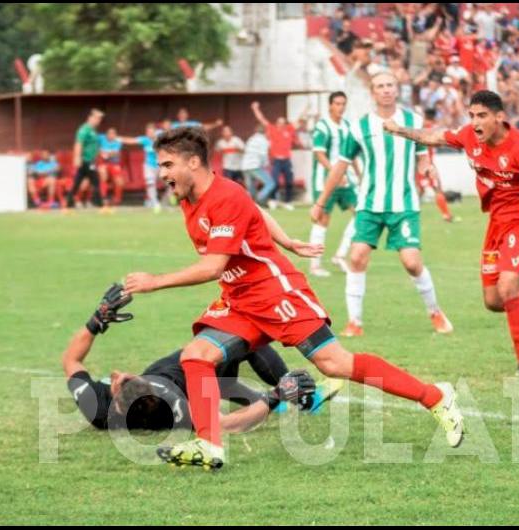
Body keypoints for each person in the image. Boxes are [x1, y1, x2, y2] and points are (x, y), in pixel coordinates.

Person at [123, 127, 464, 470]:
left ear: (193, 162)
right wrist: (287, 241)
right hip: (241, 299)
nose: (161, 173)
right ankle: (209, 445)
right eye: (160, 166)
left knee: (335, 364)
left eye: (167, 165)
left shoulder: (225, 197)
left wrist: (155, 281)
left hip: (276, 292)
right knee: (197, 355)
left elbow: (213, 266)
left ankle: (435, 396)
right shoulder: (195, 196)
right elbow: (254, 209)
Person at [383, 90, 519, 377]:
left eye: (481, 116)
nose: (474, 122)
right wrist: (398, 130)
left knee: (508, 288)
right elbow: (433, 137)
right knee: (494, 301)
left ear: (499, 117)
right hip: (496, 222)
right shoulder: (469, 137)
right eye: (471, 115)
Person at [62, 284, 324, 433]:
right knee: (247, 339)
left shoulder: (98, 410)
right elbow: (225, 425)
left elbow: (71, 361)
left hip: (205, 379)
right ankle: (302, 396)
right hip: (202, 369)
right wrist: (277, 393)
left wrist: (97, 321)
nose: (117, 372)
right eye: (122, 378)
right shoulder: (176, 409)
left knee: (228, 384)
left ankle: (273, 400)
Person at [312, 72, 453, 338]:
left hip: (404, 205)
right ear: (372, 92)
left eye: (389, 85)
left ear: (396, 90)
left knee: (412, 262)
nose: (386, 90)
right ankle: (355, 322)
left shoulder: (413, 121)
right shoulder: (359, 127)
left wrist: (428, 168)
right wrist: (320, 202)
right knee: (356, 257)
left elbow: (422, 157)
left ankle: (435, 311)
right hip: (369, 204)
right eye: (380, 86)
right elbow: (340, 167)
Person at [308, 91, 359, 278]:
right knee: (323, 220)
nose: (341, 107)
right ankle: (315, 265)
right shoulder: (322, 126)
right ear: (330, 105)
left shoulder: (347, 126)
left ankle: (339, 256)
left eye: (343, 103)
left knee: (360, 213)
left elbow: (351, 155)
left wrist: (360, 176)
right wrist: (333, 172)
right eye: (337, 103)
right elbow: (319, 153)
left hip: (345, 181)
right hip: (325, 181)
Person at [251, 102, 298, 210]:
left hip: (287, 160)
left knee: (289, 181)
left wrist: (307, 109)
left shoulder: (289, 129)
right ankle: (273, 200)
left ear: (285, 123)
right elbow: (262, 119)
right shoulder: (272, 129)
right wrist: (255, 109)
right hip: (276, 160)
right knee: (275, 181)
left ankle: (288, 202)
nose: (281, 124)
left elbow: (298, 121)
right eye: (279, 122)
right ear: (276, 123)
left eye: (283, 122)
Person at [118, 123, 162, 212]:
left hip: (160, 166)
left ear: (155, 132)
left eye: (151, 131)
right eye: (148, 132)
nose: (149, 133)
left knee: (171, 182)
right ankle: (155, 203)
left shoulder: (160, 140)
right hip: (149, 166)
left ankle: (167, 200)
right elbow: (131, 141)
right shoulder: (145, 140)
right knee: (150, 183)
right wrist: (118, 138)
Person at [70, 109, 104, 208]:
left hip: (91, 160)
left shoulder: (92, 130)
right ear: (90, 118)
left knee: (78, 182)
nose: (98, 121)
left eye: (99, 119)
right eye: (97, 118)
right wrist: (77, 157)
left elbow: (92, 145)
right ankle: (99, 204)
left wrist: (99, 153)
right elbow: (78, 143)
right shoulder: (84, 129)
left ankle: (69, 202)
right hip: (86, 160)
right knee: (95, 181)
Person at [240, 124, 275, 206]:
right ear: (266, 132)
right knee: (270, 183)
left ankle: (252, 205)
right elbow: (263, 155)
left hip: (244, 166)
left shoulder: (251, 139)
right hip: (254, 166)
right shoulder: (264, 141)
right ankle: (260, 199)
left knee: (251, 188)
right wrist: (266, 164)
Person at [98, 127, 125, 209]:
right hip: (102, 163)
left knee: (120, 181)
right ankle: (104, 199)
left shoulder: (118, 142)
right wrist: (100, 152)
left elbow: (115, 153)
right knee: (103, 173)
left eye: (113, 134)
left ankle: (116, 200)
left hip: (114, 164)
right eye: (109, 133)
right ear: (106, 134)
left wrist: (105, 153)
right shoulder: (101, 138)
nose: (111, 135)